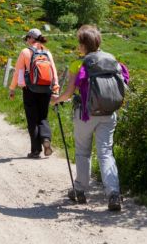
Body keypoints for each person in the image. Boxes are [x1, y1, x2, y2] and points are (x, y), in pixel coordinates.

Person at [52, 25, 129, 212]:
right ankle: (113, 193)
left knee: (83, 151)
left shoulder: (78, 64)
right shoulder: (112, 60)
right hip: (109, 113)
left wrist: (56, 100)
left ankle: (80, 189)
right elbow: (123, 82)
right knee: (106, 152)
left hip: (85, 114)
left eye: (79, 43)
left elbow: (69, 92)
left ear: (83, 45)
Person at [9, 28, 59, 158]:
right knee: (43, 116)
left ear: (31, 38)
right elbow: (54, 72)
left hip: (30, 89)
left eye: (27, 38)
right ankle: (46, 138)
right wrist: (56, 89)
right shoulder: (47, 52)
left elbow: (18, 72)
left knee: (32, 119)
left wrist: (12, 88)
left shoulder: (25, 52)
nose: (26, 41)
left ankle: (36, 150)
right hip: (47, 89)